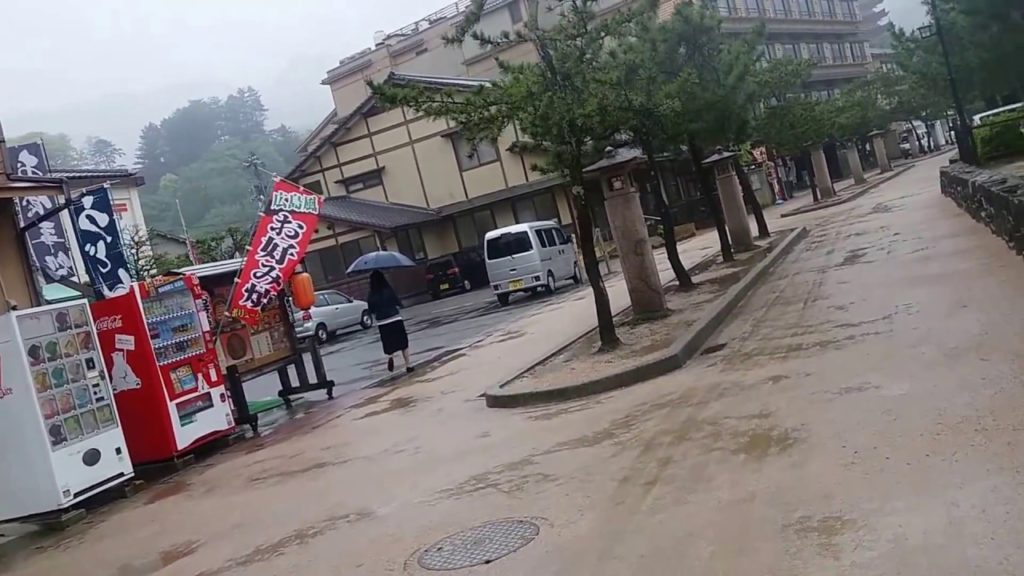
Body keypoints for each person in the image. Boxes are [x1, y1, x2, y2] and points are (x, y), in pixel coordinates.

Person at [366, 270, 413, 373]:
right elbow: (398, 302)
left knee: (389, 343)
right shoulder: (388, 290)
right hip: (395, 318)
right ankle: (408, 365)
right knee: (403, 343)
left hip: (382, 322)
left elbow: (371, 310)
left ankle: (390, 356)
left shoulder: (371, 294)